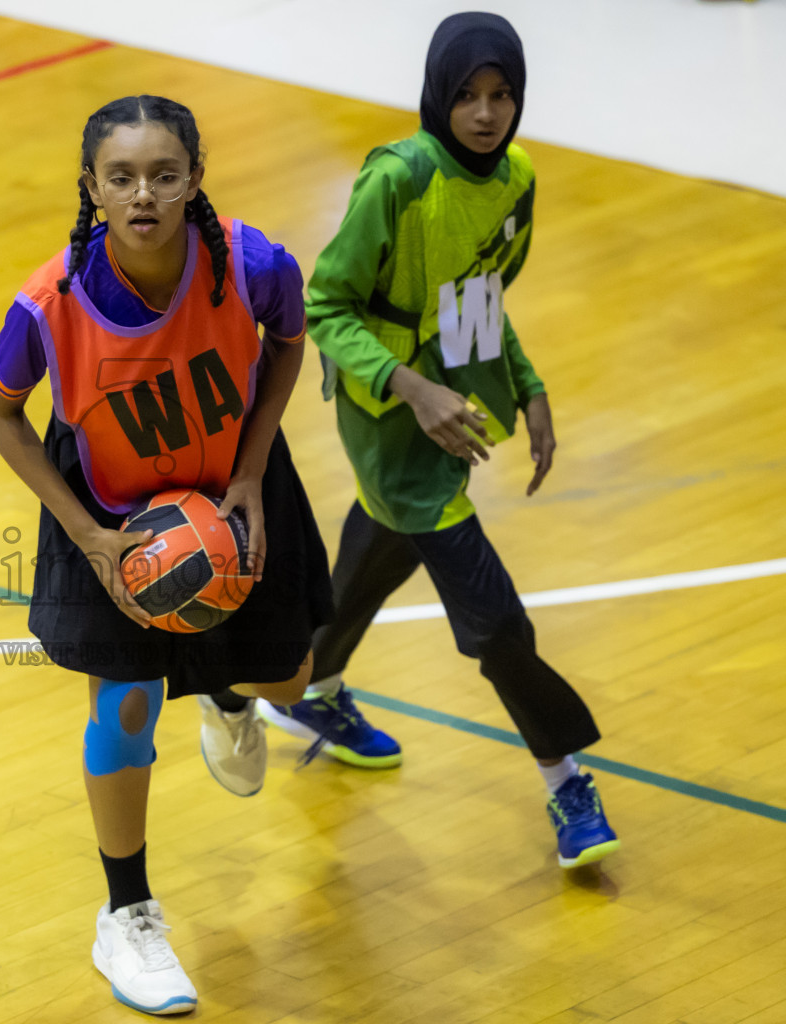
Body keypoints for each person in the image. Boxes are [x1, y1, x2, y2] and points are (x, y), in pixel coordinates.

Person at [0, 94, 334, 1015]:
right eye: (123, 177)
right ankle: (126, 914)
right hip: (114, 516)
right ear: (92, 187)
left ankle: (228, 692)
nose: (144, 194)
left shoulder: (253, 263)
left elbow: (292, 341)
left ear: (194, 180)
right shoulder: (47, 303)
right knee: (126, 707)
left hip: (233, 491)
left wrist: (252, 471)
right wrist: (85, 535)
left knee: (293, 679)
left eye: (165, 175)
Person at [263, 12, 620, 869]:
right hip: (388, 404)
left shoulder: (517, 177)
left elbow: (482, 293)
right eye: (467, 95)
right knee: (493, 622)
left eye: (502, 96)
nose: (487, 113)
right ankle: (565, 779)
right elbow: (324, 308)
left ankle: (302, 686)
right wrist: (413, 389)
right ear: (437, 95)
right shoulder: (398, 178)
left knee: (384, 541)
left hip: (452, 392)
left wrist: (526, 383)